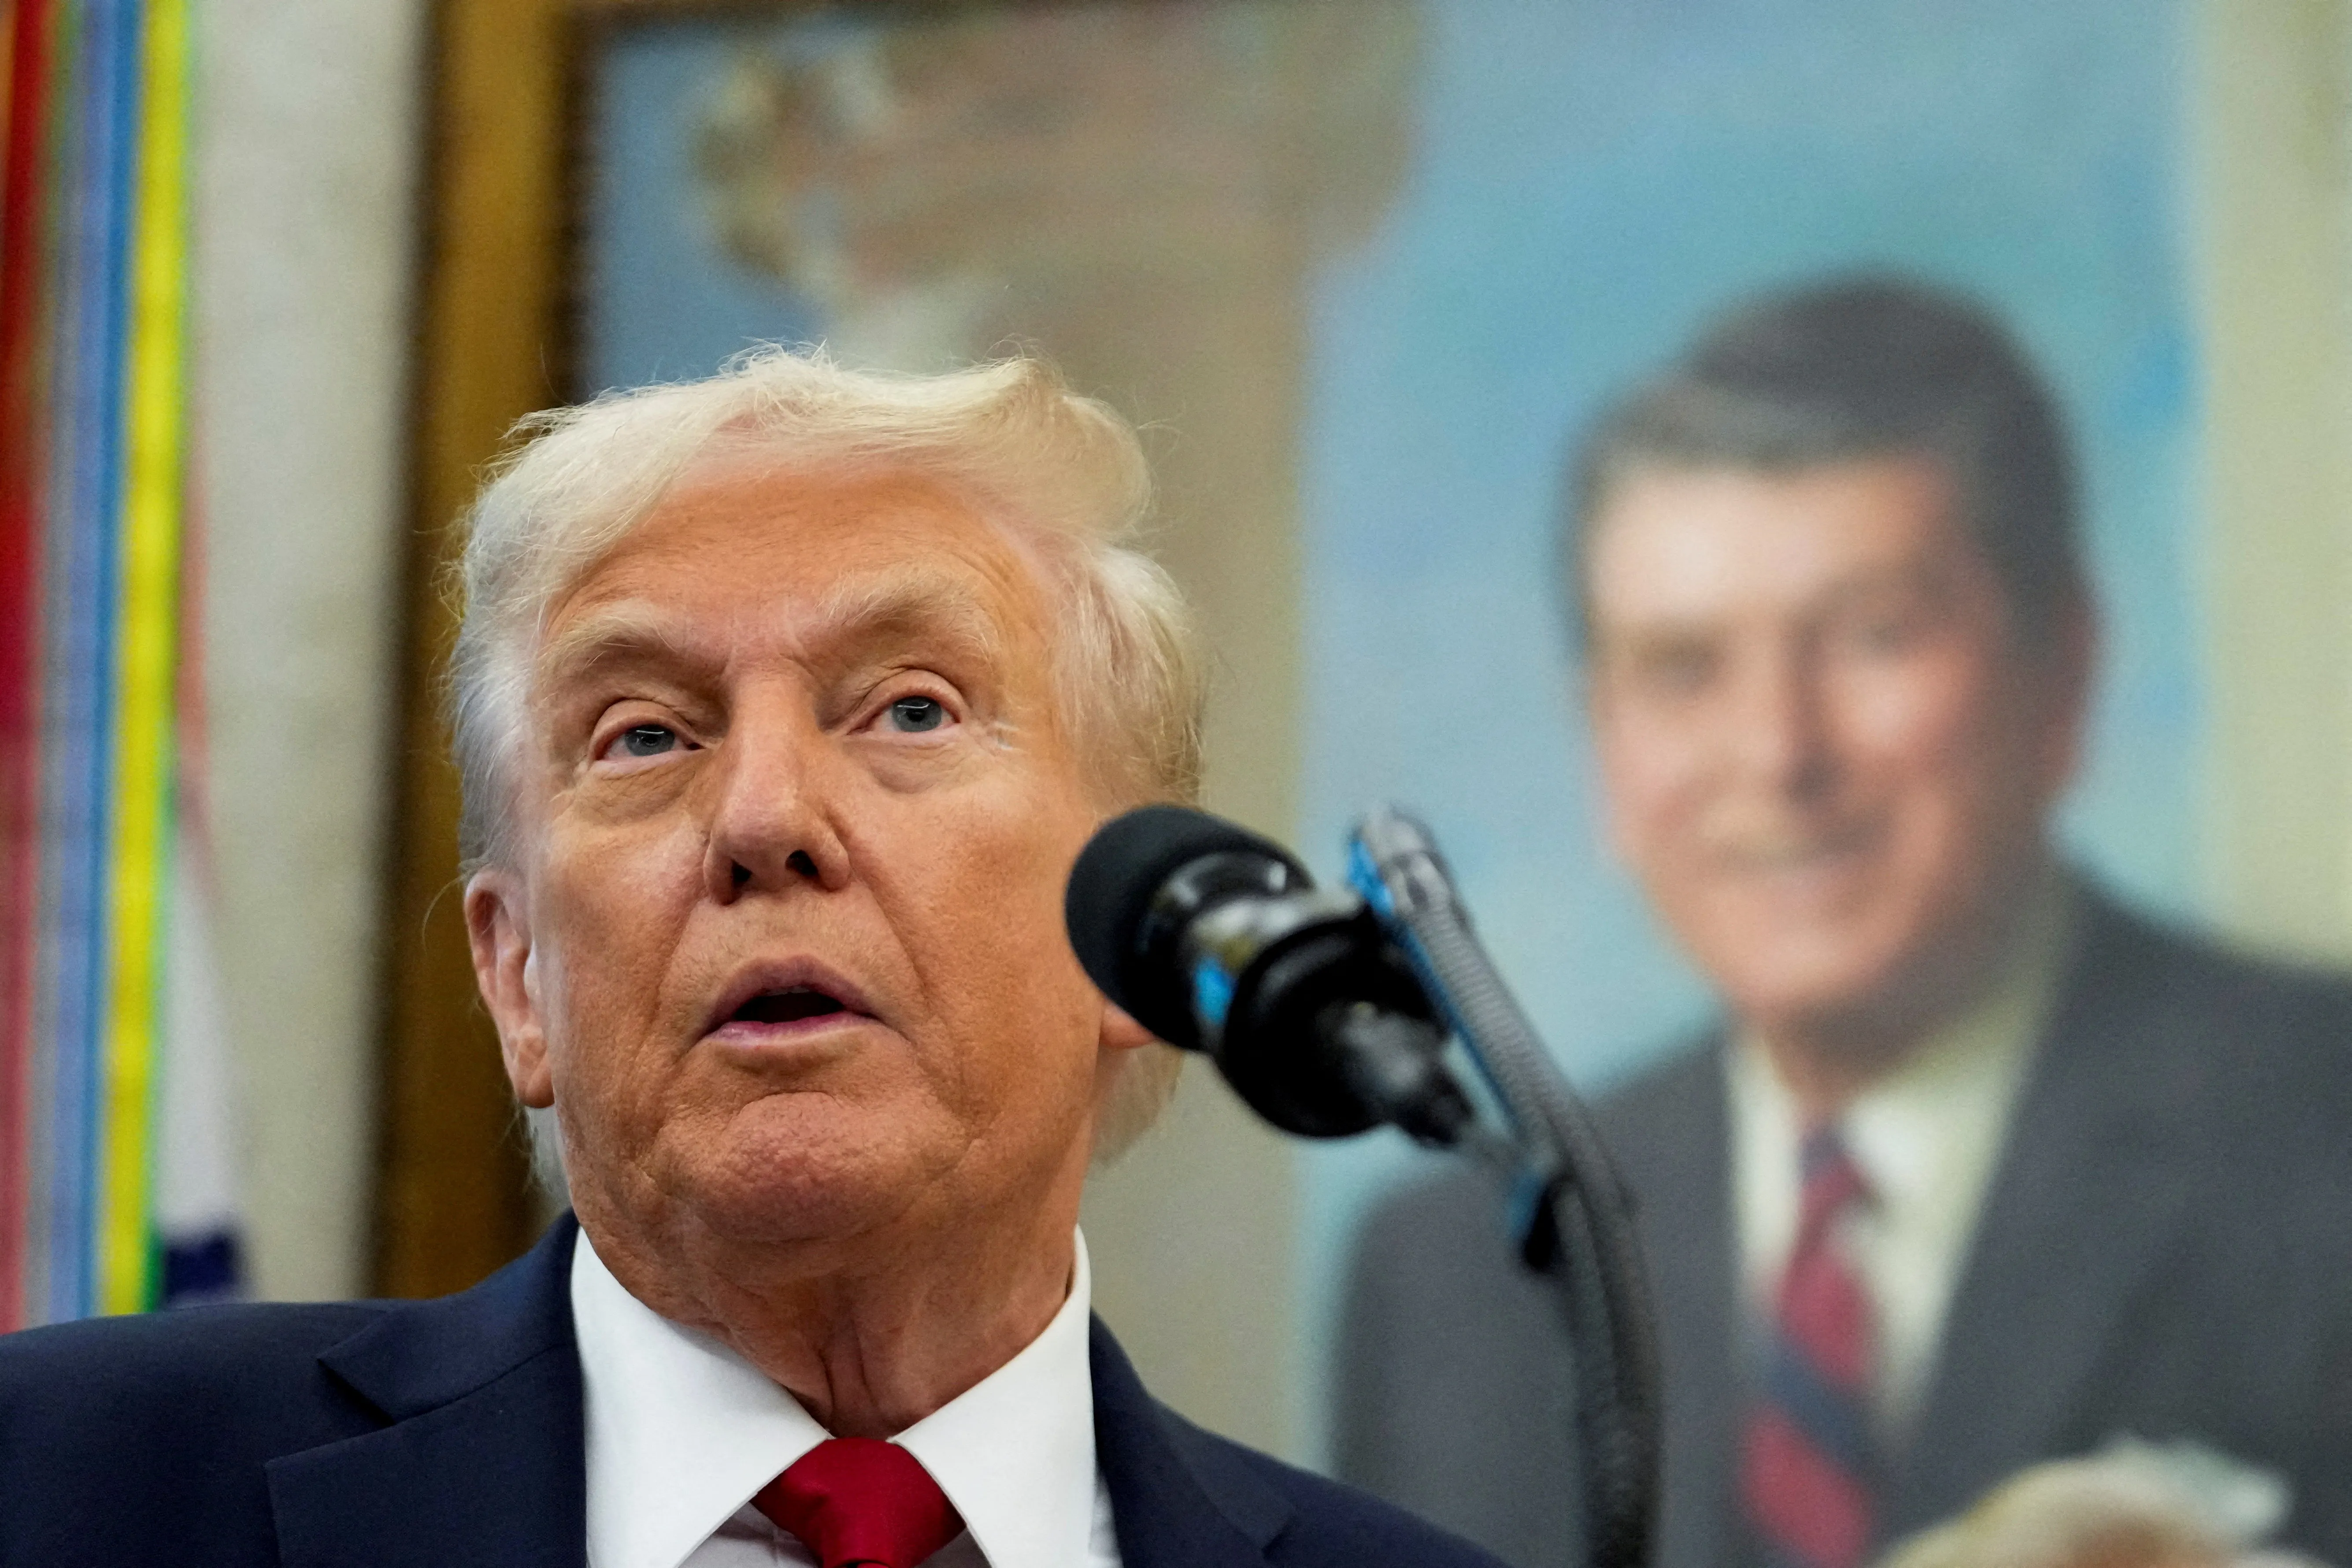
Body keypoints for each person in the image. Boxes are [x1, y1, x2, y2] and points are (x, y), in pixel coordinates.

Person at [0, 350, 1504, 1568]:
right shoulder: (63, 1488)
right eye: (644, 734)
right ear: (517, 979)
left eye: (909, 708)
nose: (766, 816)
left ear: (1136, 935)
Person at [1333, 278, 2352, 1568]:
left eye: (1876, 636)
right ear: (1602, 736)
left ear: (2064, 672)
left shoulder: (2326, 1137)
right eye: (1684, 668)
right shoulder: (1455, 1281)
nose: (1778, 752)